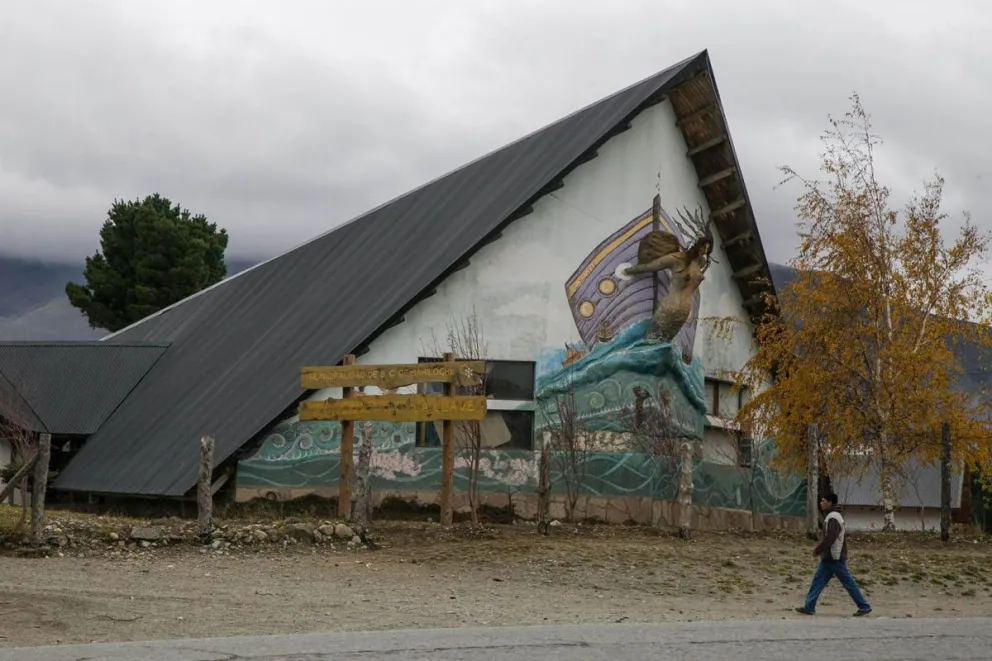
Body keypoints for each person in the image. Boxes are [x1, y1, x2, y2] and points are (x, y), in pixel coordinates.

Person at [795, 492, 872, 616]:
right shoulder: (832, 516)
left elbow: (831, 537)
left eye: (823, 501)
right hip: (829, 557)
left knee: (848, 582)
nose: (821, 503)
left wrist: (818, 550)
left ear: (830, 502)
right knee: (818, 581)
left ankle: (864, 606)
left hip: (834, 557)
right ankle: (809, 606)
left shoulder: (833, 517)